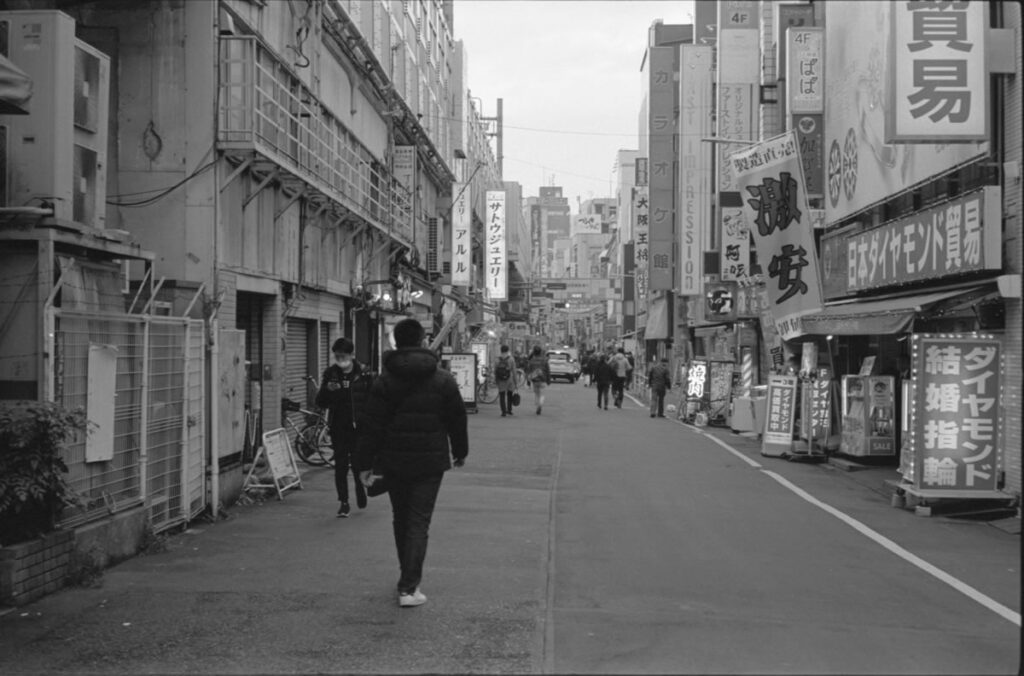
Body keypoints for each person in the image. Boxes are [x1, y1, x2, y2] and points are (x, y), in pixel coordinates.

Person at [355, 318, 468, 608]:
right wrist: (460, 451)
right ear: (421, 340)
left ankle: (406, 579)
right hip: (430, 461)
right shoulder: (442, 378)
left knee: (401, 518)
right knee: (419, 521)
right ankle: (408, 586)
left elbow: (371, 425)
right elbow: (457, 417)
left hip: (393, 460)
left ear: (396, 342)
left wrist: (364, 464)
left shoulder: (385, 380)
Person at [315, 337, 374, 518]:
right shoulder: (331, 374)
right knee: (340, 466)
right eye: (337, 356)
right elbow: (320, 402)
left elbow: (373, 401)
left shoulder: (364, 373)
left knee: (357, 464)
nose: (340, 359)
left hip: (360, 428)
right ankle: (344, 502)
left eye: (343, 355)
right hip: (338, 427)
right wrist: (327, 390)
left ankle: (359, 489)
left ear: (351, 355)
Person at [525, 345, 551, 415]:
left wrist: (528, 381)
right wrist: (548, 380)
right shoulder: (544, 360)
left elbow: (528, 371)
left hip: (535, 380)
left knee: (537, 394)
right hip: (542, 379)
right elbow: (548, 371)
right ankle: (540, 404)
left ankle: (537, 406)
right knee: (542, 394)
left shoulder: (531, 361)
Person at [494, 344, 517, 417]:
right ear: (508, 351)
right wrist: (516, 382)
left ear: (501, 351)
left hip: (501, 379)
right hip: (509, 379)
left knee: (502, 395)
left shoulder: (497, 359)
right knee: (509, 394)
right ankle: (509, 410)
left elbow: (495, 371)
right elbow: (514, 371)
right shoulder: (511, 359)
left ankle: (503, 411)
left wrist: (496, 380)